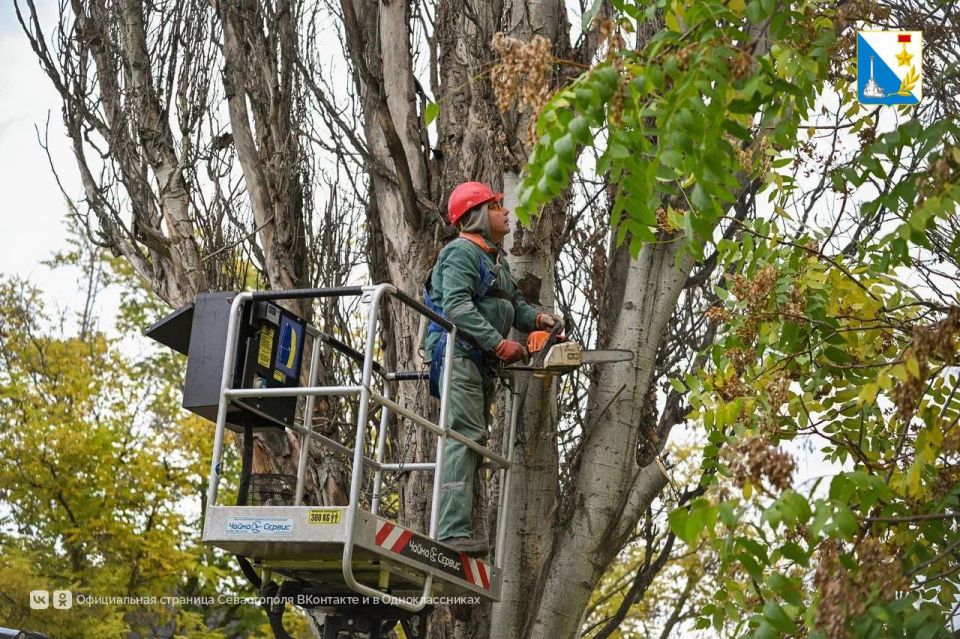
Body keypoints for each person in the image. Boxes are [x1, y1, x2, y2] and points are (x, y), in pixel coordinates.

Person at [424, 181, 561, 556]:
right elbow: (457, 306)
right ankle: (452, 531)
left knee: (475, 439)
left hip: (480, 362)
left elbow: (514, 305)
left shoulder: (493, 262)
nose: (506, 213)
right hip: (460, 354)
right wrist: (499, 343)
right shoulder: (460, 253)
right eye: (498, 207)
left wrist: (540, 320)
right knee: (464, 435)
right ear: (479, 215)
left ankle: (461, 527)